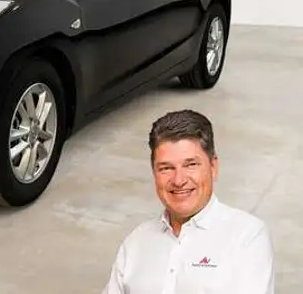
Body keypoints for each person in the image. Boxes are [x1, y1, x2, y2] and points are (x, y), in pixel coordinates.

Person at [101, 109, 275, 294]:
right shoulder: (136, 242)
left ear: (213, 167)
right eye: (166, 168)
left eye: (191, 165)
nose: (179, 180)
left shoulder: (247, 236)